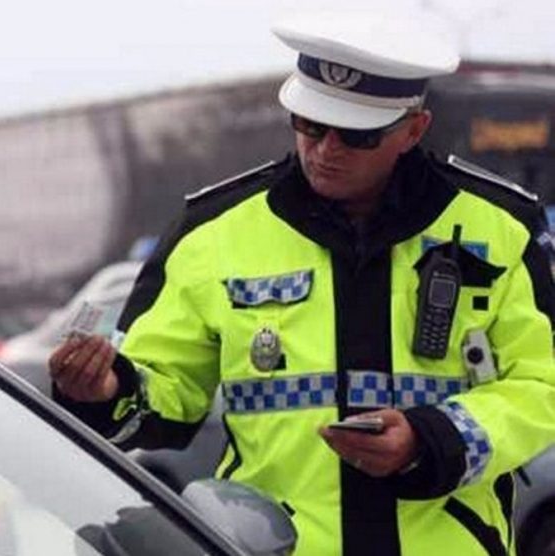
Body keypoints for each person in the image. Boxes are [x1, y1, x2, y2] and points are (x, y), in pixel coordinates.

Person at [49, 11, 555, 556]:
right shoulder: (212, 234)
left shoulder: (502, 229)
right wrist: (107, 390)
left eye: (356, 135)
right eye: (310, 124)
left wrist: (433, 440)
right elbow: (166, 393)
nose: (325, 148)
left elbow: (542, 385)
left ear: (413, 129)